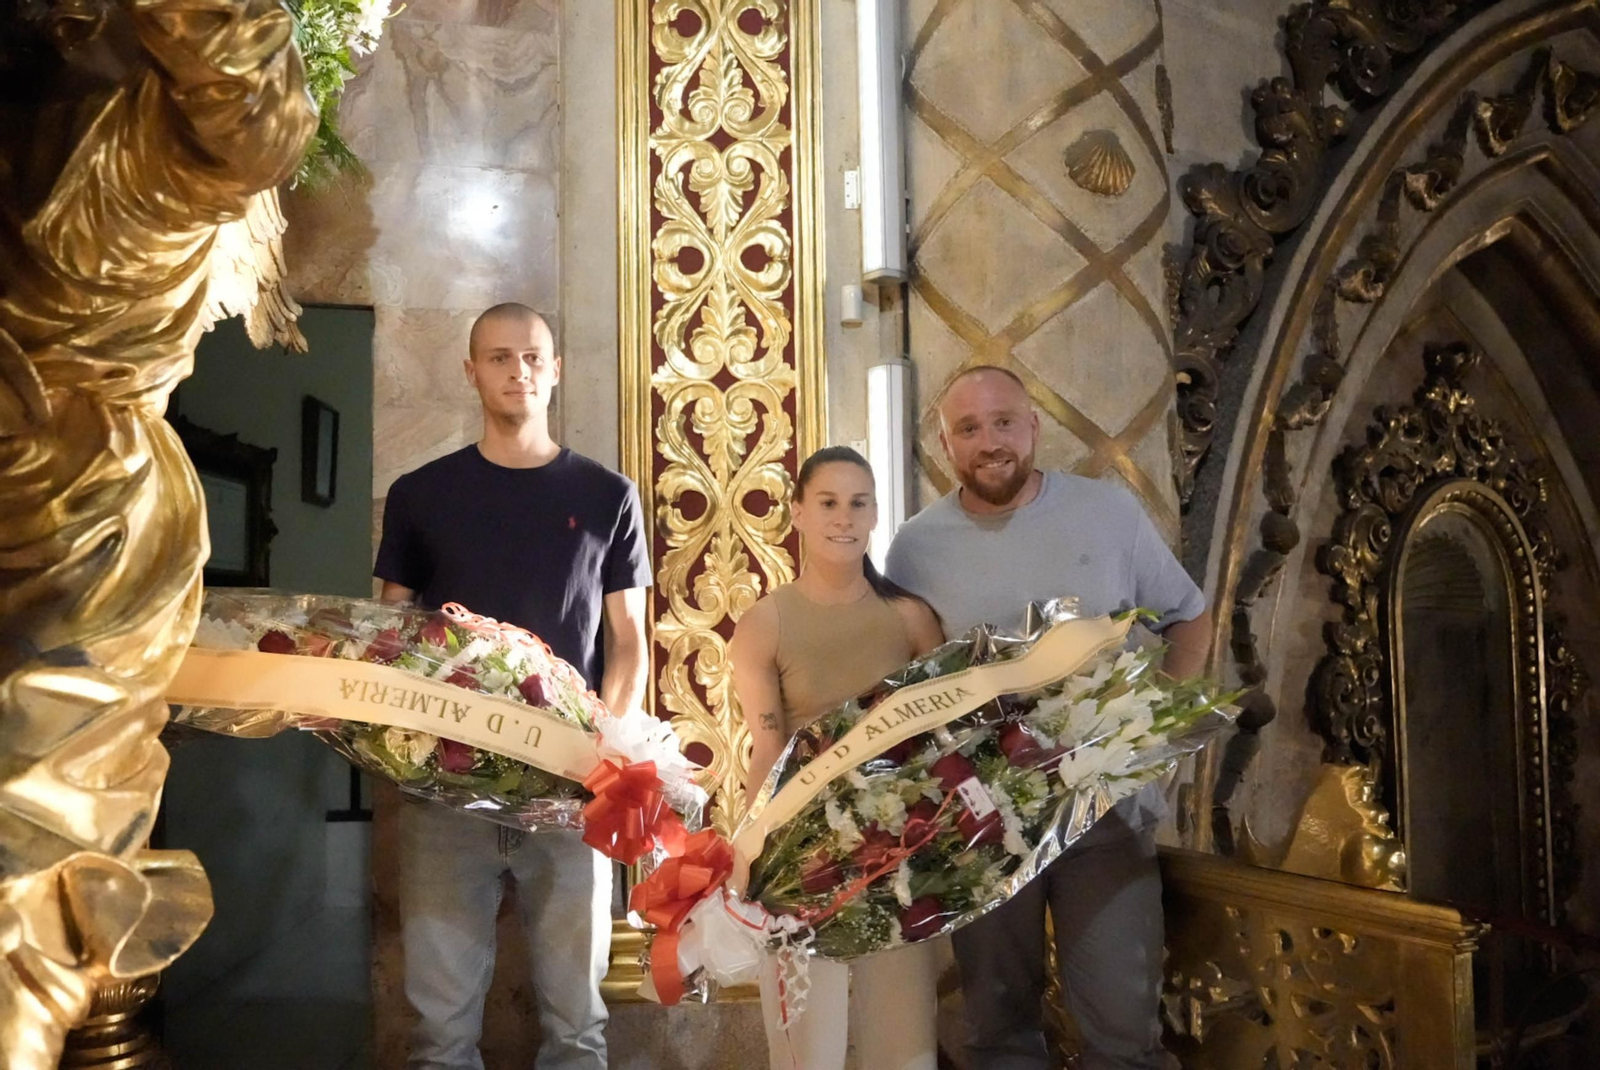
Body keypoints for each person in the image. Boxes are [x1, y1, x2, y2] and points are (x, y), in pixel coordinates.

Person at [886, 366, 1211, 1070]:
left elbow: (1192, 619)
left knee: (1124, 1034)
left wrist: (1153, 733)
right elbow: (909, 688)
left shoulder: (1109, 513)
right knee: (998, 1033)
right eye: (968, 429)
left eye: (1004, 422)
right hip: (986, 827)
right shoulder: (913, 548)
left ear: (1034, 427)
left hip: (1107, 816)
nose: (989, 441)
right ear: (946, 445)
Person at [374, 303, 651, 1070]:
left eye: (531, 357)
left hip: (568, 794)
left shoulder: (607, 497)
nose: (517, 370)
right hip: (443, 795)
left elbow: (628, 643)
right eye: (498, 358)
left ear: (556, 369)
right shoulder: (420, 494)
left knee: (578, 1029)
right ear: (471, 373)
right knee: (440, 1036)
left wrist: (604, 748)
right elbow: (385, 639)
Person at [728, 446, 946, 1070]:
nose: (843, 517)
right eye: (827, 502)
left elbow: (941, 742)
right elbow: (767, 750)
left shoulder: (910, 619)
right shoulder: (765, 623)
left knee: (903, 1049)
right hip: (805, 859)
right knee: (805, 1052)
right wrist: (751, 861)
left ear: (876, 515)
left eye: (858, 503)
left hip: (901, 856)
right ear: (797, 513)